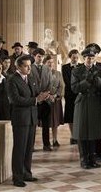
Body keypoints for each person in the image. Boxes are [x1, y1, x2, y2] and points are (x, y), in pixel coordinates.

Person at [8, 55, 49, 187]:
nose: (29, 68)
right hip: (20, 119)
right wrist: (36, 100)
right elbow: (15, 100)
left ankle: (27, 173)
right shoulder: (12, 80)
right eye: (26, 66)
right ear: (18, 66)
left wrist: (44, 95)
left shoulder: (30, 78)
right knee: (19, 148)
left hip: (32, 117)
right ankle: (17, 177)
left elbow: (36, 93)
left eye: (29, 65)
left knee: (28, 148)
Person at [71, 47, 101, 169]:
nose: (90, 60)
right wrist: (86, 81)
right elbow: (74, 88)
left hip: (95, 102)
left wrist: (98, 81)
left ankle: (92, 158)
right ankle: (83, 159)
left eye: (92, 57)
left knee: (93, 131)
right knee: (82, 132)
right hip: (82, 101)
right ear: (83, 58)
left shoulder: (99, 70)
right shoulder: (77, 70)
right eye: (87, 58)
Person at [31, 48, 56, 151]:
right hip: (35, 101)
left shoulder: (47, 68)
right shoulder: (30, 68)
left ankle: (46, 144)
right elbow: (29, 83)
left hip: (46, 101)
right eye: (38, 56)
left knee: (46, 125)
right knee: (33, 125)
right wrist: (38, 96)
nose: (40, 59)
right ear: (34, 57)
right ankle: (31, 146)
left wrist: (46, 94)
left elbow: (51, 82)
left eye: (42, 56)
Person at [62, 49, 80, 144]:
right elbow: (67, 82)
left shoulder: (81, 67)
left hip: (79, 95)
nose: (75, 59)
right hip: (69, 95)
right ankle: (73, 136)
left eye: (77, 57)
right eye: (74, 57)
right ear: (70, 57)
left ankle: (78, 135)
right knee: (70, 116)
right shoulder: (65, 67)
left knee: (79, 115)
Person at [46, 55, 64, 147]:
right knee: (46, 122)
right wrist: (48, 96)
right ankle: (46, 142)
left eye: (52, 62)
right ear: (45, 63)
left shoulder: (58, 73)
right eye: (48, 62)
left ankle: (55, 139)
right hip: (45, 100)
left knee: (55, 121)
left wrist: (55, 95)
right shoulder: (43, 73)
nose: (50, 64)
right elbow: (41, 86)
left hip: (56, 100)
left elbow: (61, 86)